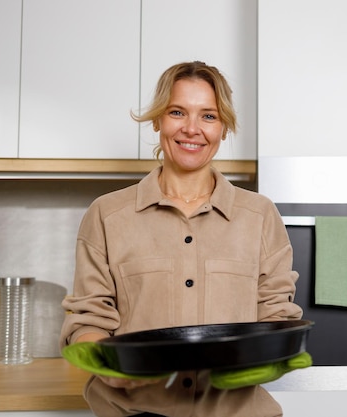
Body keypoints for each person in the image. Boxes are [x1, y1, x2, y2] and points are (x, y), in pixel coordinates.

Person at [60, 61, 303, 417]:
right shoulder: (108, 215)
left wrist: (272, 351)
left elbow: (276, 315)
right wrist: (110, 367)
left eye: (208, 116)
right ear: (158, 119)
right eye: (178, 112)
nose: (192, 129)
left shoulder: (259, 216)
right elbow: (87, 319)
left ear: (223, 128)